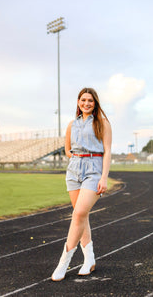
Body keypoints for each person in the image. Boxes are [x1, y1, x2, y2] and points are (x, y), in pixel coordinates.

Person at [51, 87, 112, 281]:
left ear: (95, 103)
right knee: (82, 215)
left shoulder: (102, 123)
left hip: (94, 170)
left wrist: (104, 177)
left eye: (90, 100)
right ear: (78, 102)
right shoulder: (72, 125)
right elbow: (67, 150)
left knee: (78, 214)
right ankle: (89, 259)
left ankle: (63, 263)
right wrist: (77, 157)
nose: (86, 103)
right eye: (83, 100)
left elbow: (108, 151)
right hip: (74, 171)